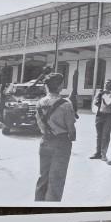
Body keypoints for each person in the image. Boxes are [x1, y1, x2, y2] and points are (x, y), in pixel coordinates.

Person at [34, 72, 76, 202]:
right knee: (56, 179)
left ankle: (38, 204)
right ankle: (51, 207)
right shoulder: (66, 104)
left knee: (43, 177)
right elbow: (71, 130)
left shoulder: (40, 103)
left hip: (45, 141)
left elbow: (40, 124)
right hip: (61, 142)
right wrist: (72, 137)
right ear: (60, 86)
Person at [90, 79, 111, 163]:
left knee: (105, 135)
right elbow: (95, 103)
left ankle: (103, 154)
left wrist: (103, 95)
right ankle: (97, 153)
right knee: (99, 135)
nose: (106, 85)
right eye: (105, 84)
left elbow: (108, 103)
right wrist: (98, 95)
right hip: (99, 115)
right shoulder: (100, 93)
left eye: (108, 84)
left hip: (109, 116)